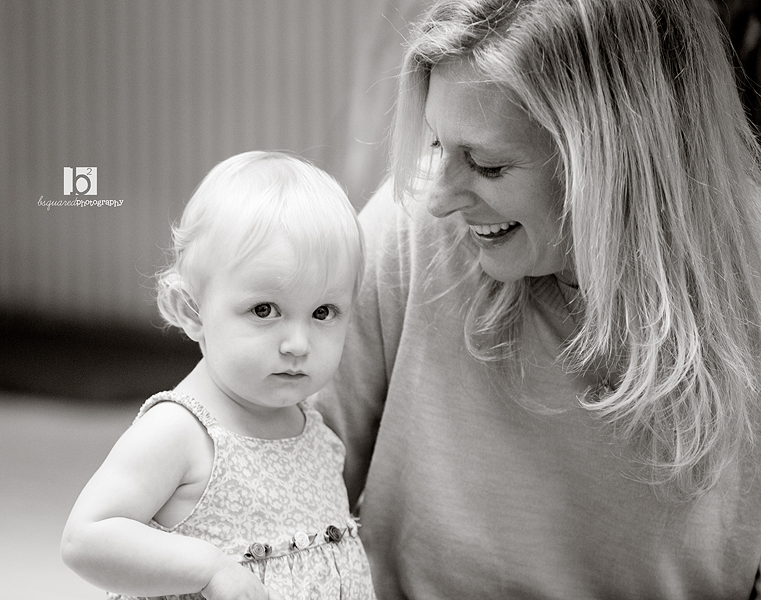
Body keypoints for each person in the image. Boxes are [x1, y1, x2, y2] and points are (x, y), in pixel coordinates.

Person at [314, 0, 761, 598]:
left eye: (487, 165)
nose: (440, 198)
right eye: (438, 145)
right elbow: (280, 466)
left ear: (616, 163)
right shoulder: (414, 231)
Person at [61, 151, 375, 600]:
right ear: (192, 310)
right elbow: (86, 538)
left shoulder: (314, 431)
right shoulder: (181, 431)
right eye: (264, 310)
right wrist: (209, 569)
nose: (298, 343)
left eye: (323, 312)